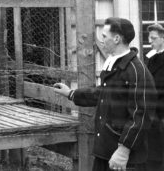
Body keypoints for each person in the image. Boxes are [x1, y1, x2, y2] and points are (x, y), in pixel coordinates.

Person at [54, 17, 156, 171]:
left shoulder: (136, 70)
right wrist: (71, 93)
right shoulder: (115, 64)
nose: (101, 41)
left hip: (125, 159)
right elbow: (102, 93)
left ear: (116, 39)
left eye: (104, 36)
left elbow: (141, 114)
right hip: (107, 150)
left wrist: (123, 150)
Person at [144, 24, 164, 171]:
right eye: (149, 38)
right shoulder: (151, 58)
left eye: (154, 38)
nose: (150, 41)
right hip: (152, 112)